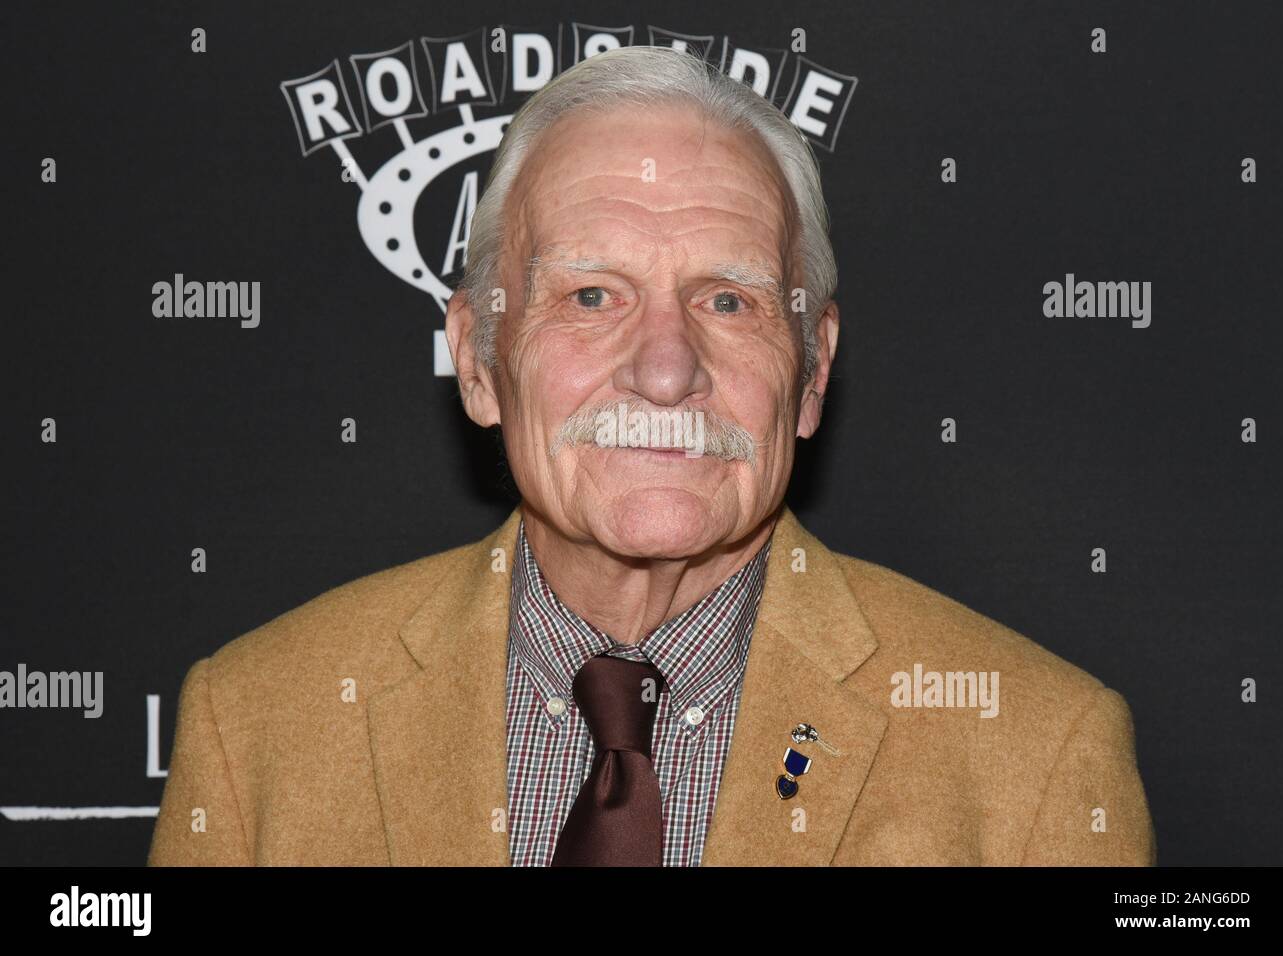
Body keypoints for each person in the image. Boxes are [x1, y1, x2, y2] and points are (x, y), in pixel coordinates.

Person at [148, 46, 1155, 866]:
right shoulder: (255, 725)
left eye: (729, 299)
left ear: (811, 373)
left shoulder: (1036, 754)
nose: (666, 370)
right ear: (478, 359)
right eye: (591, 296)